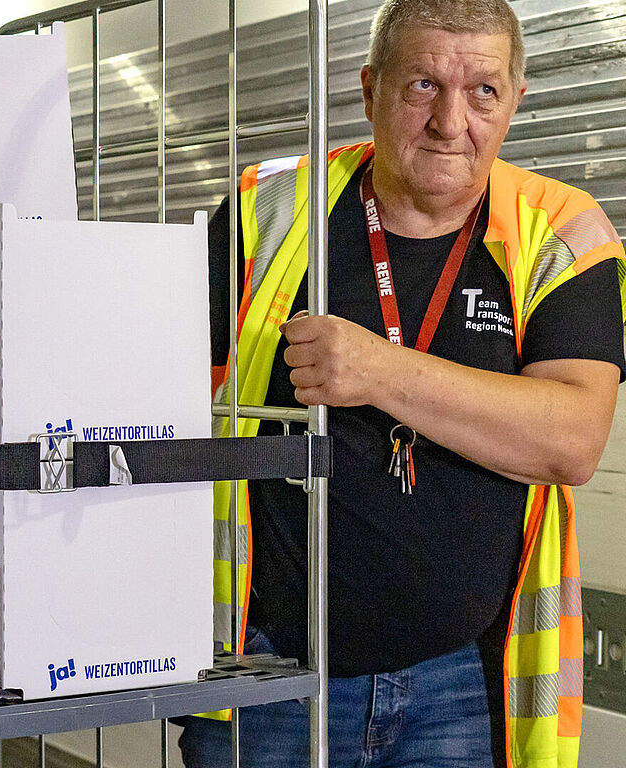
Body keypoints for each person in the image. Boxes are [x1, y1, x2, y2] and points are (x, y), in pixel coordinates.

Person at [178, 0, 626, 766]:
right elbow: (143, 395)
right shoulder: (267, 209)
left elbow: (572, 441)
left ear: (515, 99)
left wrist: (378, 372)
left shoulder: (563, 231)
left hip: (460, 683)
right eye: (423, 84)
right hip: (264, 668)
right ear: (370, 89)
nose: (451, 122)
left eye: (483, 91)